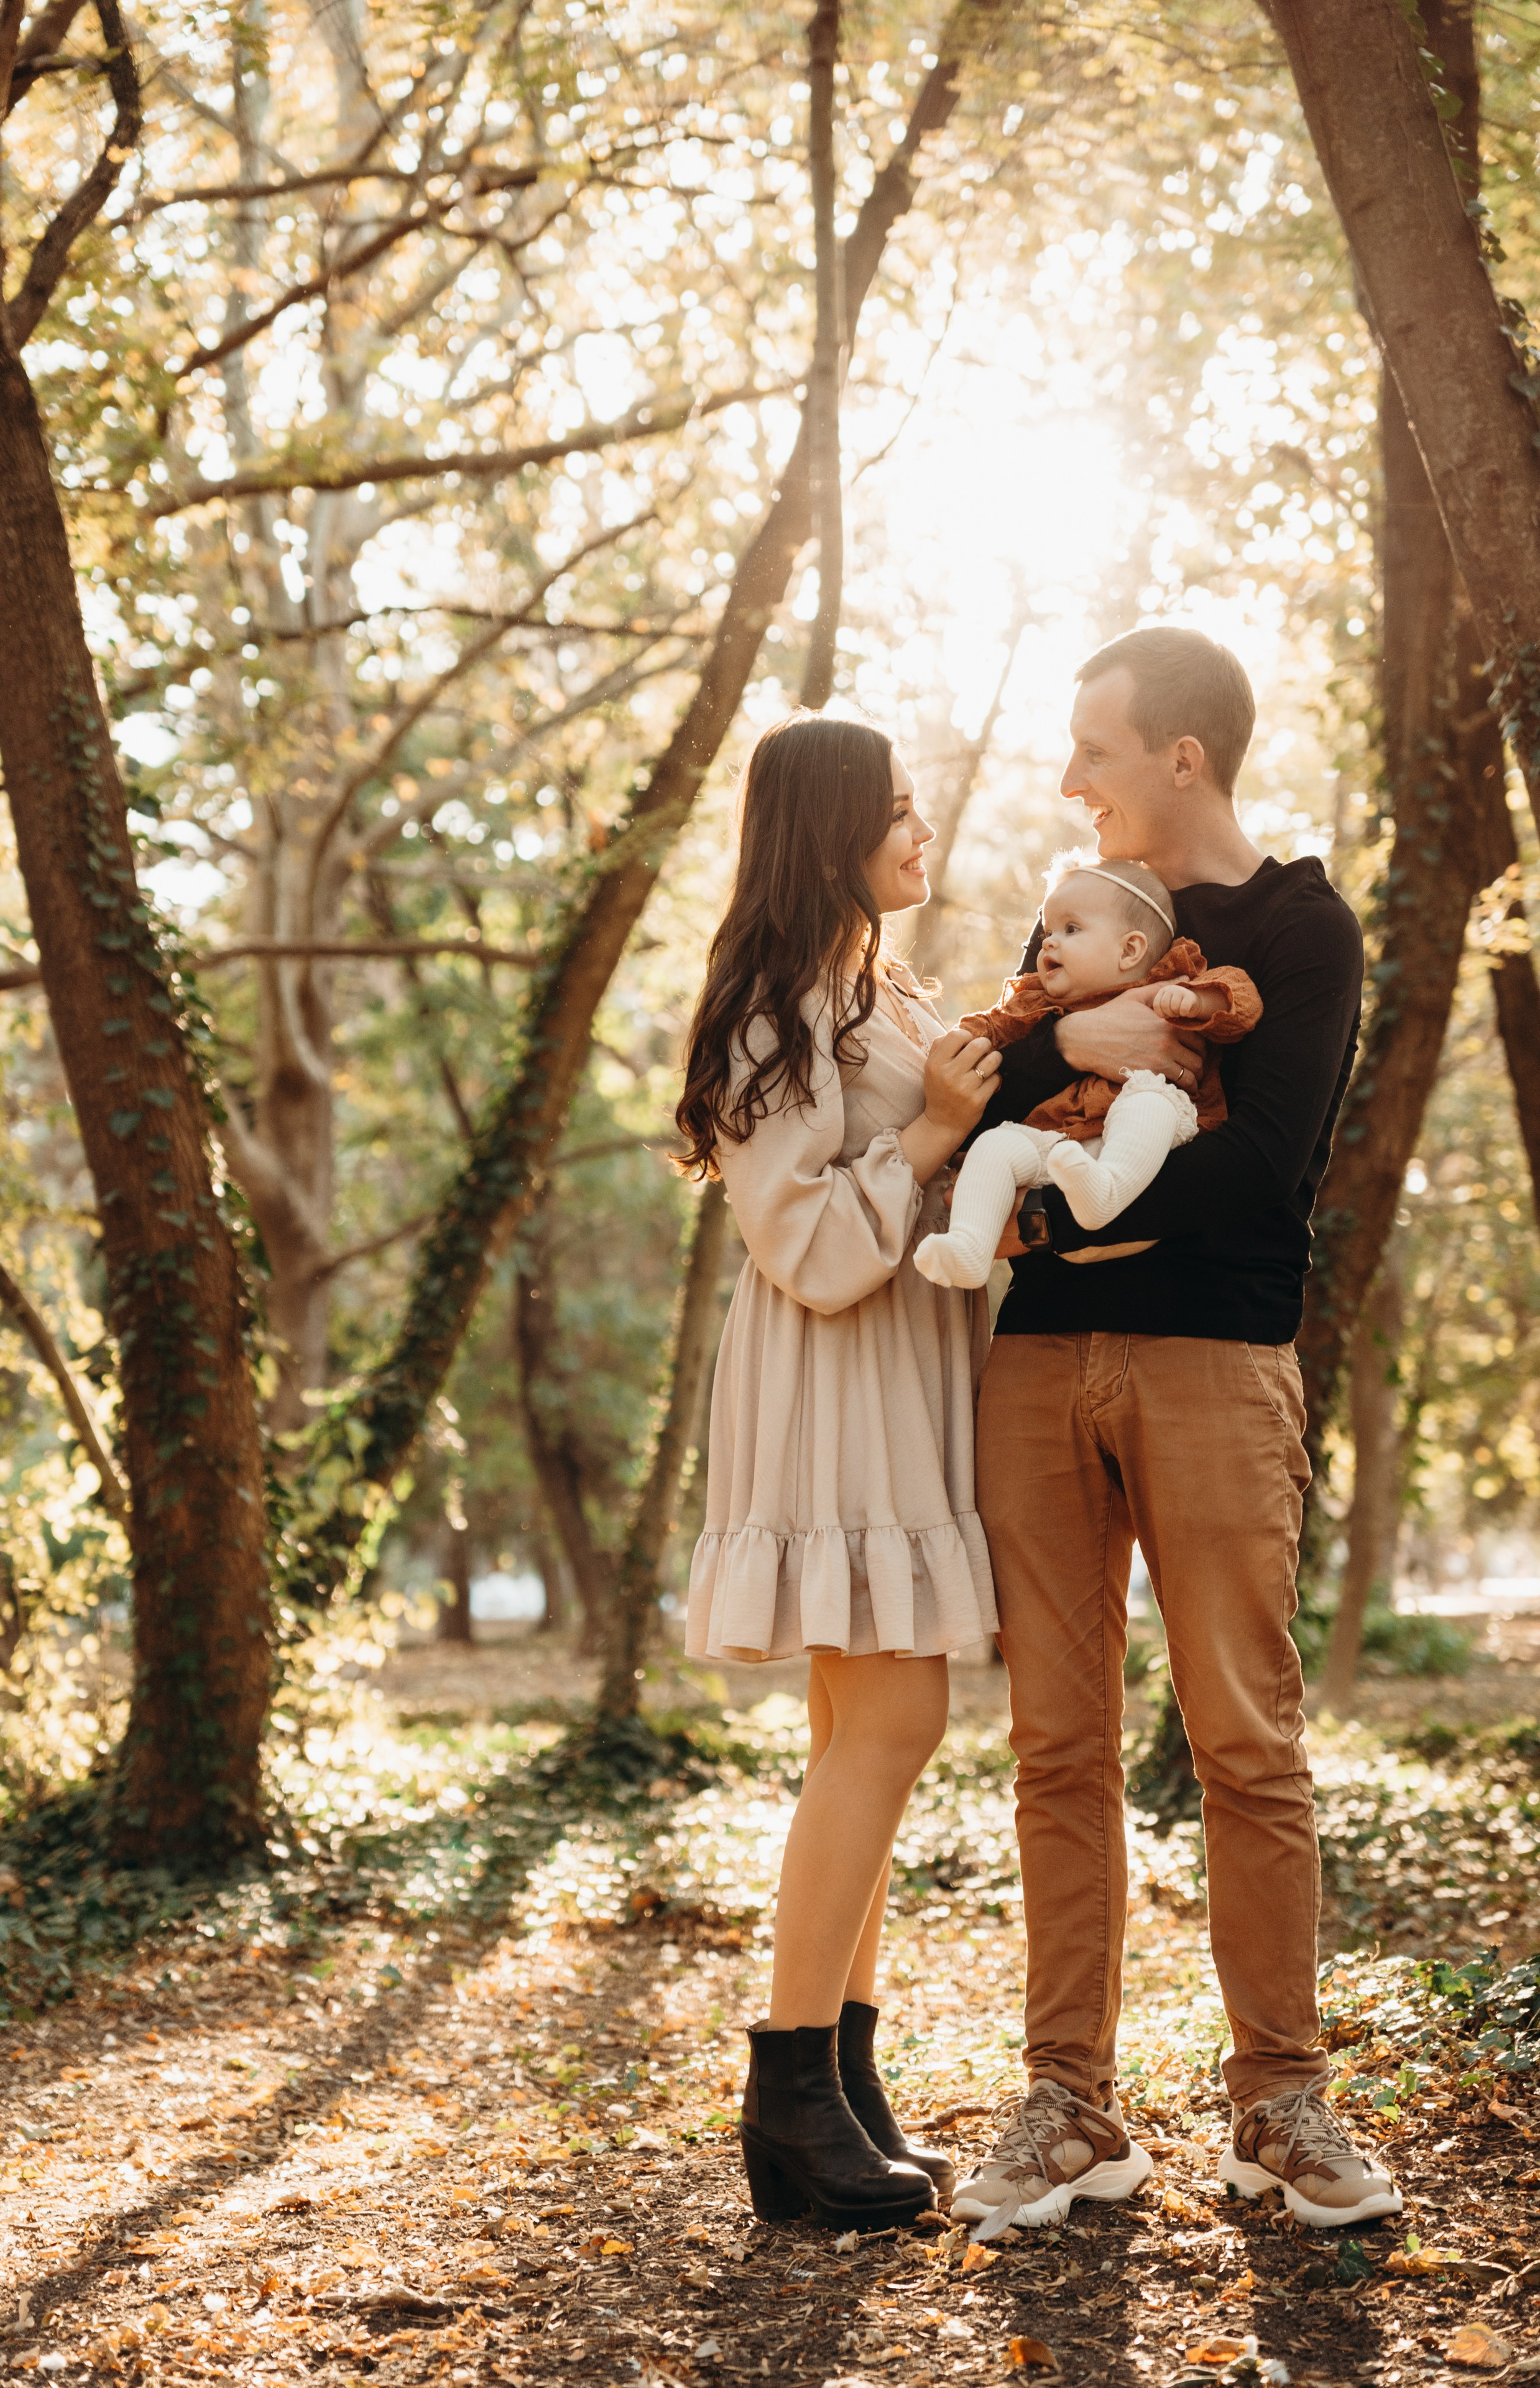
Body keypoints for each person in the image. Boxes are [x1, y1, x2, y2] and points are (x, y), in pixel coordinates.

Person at [953, 625, 1399, 2239]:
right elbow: (989, 1106)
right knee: (1056, 1748)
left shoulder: (1300, 927)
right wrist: (1048, 1074)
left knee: (1246, 1747)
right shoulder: (1081, 918)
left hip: (1217, 1368)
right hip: (1038, 1382)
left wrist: (1051, 1226)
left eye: (1095, 751)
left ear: (1182, 761)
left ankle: (1278, 2104)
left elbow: (1261, 1166)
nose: (1070, 782)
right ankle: (1070, 2107)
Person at [674, 710, 1003, 2233]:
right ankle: (785, 2094)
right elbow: (802, 1244)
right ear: (823, 835)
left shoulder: (869, 992)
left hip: (895, 1383)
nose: (917, 828)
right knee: (893, 1712)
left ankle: (844, 2077)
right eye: (890, 810)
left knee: (852, 1731)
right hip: (831, 1389)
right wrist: (935, 1131)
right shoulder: (768, 1016)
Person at [913, 857, 1261, 1287]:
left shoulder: (1171, 977)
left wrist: (1198, 1002)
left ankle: (1108, 1189)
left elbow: (1242, 1001)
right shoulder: (1033, 1000)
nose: (1049, 944)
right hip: (1063, 1151)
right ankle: (969, 1246)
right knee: (997, 1145)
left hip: (1138, 1158)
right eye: (1048, 931)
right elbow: (991, 1028)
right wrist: (961, 1039)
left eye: (1071, 930)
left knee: (1150, 1100)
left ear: (1130, 950)